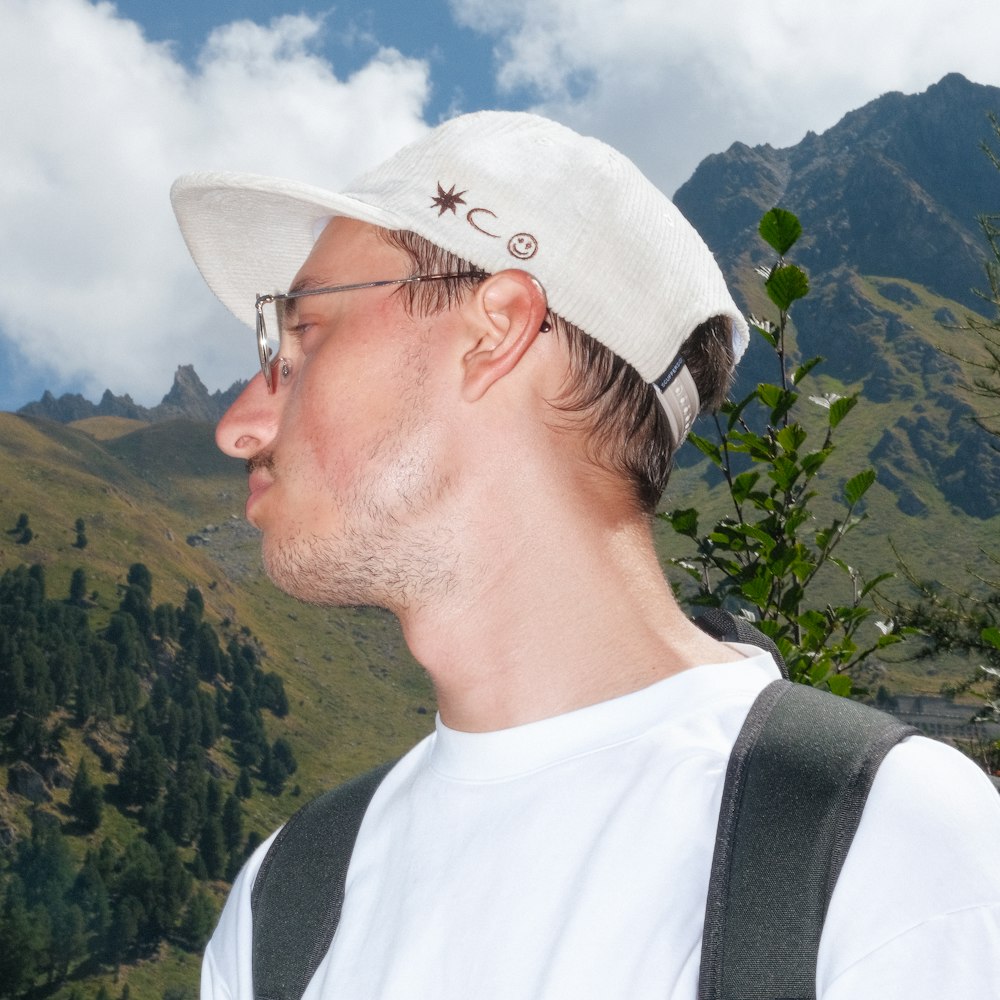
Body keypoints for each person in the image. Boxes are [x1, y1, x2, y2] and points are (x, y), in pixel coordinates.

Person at [171, 111, 1000, 1000]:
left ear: (495, 330)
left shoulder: (882, 842)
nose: (237, 426)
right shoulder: (284, 899)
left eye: (300, 337)